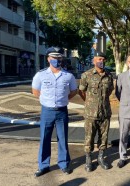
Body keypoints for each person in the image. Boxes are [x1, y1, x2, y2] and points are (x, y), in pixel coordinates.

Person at [32, 47, 77, 177]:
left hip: (62, 111)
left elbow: (74, 91)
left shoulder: (68, 76)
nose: (56, 60)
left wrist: (64, 99)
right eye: (53, 58)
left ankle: (63, 164)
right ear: (48, 59)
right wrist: (46, 100)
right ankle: (43, 165)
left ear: (61, 59)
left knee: (62, 139)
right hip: (47, 111)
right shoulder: (40, 75)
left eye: (58, 58)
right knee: (45, 139)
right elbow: (35, 91)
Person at [78, 51, 114, 172]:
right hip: (91, 113)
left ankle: (101, 157)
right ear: (94, 61)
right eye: (99, 59)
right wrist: (90, 103)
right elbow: (82, 92)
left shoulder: (109, 75)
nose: (101, 61)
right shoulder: (86, 75)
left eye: (103, 59)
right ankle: (88, 159)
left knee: (103, 137)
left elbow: (109, 92)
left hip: (105, 112)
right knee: (89, 137)